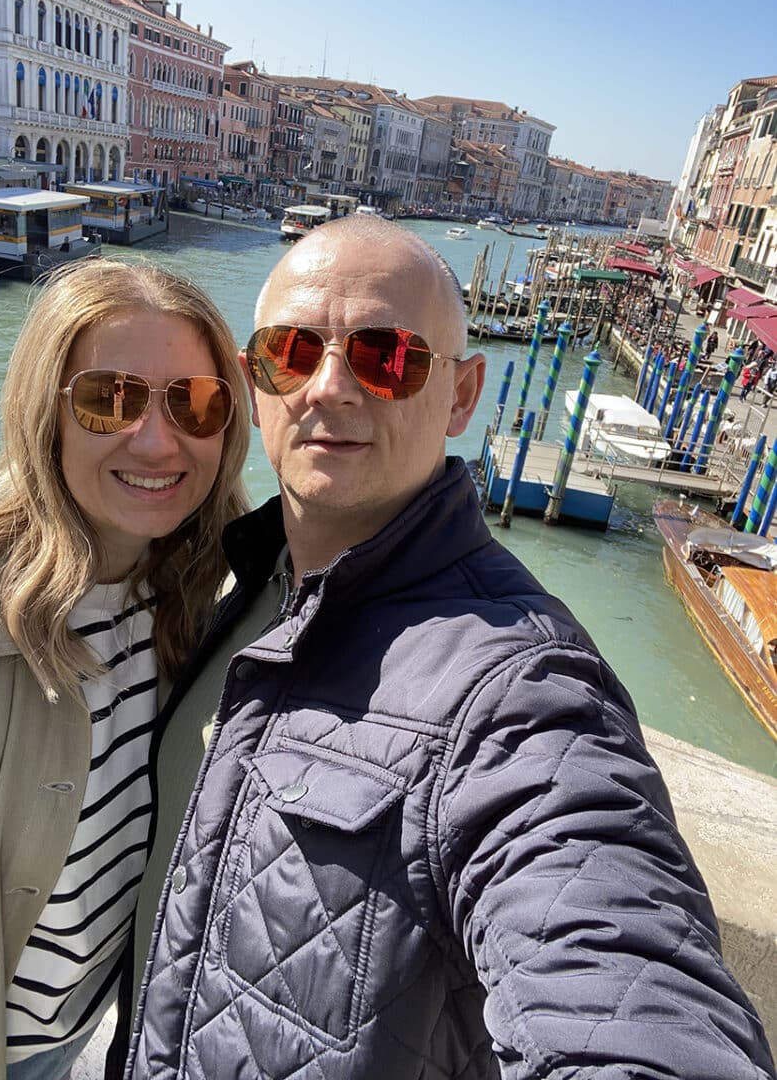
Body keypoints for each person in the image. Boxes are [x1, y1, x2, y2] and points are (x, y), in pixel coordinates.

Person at [119, 218, 775, 1079]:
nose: (327, 386)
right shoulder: (234, 588)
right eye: (291, 351)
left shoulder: (522, 688)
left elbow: (624, 983)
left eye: (385, 357)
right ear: (254, 383)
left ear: (461, 396)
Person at [0, 258, 249, 1080]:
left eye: (196, 402)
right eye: (108, 399)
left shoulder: (193, 601)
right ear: (45, 413)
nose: (157, 440)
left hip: (81, 1039)